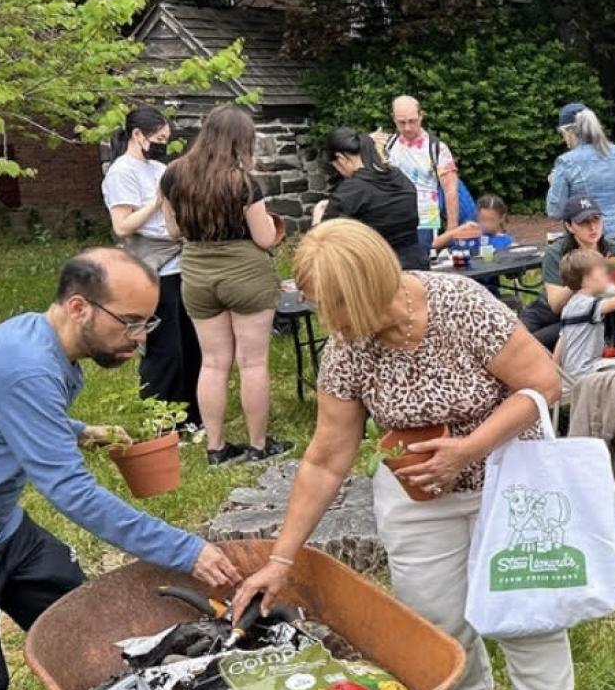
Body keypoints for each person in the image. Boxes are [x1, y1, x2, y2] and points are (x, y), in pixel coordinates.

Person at [231, 219, 577, 690]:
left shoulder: (461, 305)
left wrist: (468, 449)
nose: (327, 322)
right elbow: (325, 456)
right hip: (420, 489)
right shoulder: (348, 348)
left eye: (332, 306)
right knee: (435, 617)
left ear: (367, 291)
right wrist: (281, 558)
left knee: (524, 613)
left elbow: (543, 383)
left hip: (507, 479)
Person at [0, 248, 244, 690]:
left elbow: (17, 412)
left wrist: (78, 430)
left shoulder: (37, 339)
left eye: (147, 321)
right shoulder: (27, 367)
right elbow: (73, 494)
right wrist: (186, 549)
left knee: (84, 632)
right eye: (129, 322)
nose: (142, 337)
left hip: (6, 530)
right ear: (80, 307)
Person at [159, 105, 291, 466]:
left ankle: (215, 447)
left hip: (197, 271)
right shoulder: (243, 182)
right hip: (245, 272)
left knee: (213, 363)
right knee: (252, 363)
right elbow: (264, 238)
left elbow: (173, 232)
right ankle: (258, 445)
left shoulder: (172, 176)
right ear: (239, 141)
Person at [102, 106, 202, 430]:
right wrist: (156, 201)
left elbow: (172, 215)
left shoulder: (159, 167)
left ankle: (192, 416)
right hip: (149, 268)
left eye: (166, 138)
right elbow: (122, 226)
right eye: (158, 138)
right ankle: (162, 419)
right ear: (138, 135)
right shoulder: (121, 173)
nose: (162, 143)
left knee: (190, 343)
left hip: (178, 260)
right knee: (164, 348)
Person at [521, 195, 615, 351]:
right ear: (569, 226)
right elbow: (555, 305)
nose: (592, 227)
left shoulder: (611, 249)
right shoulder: (557, 251)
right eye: (583, 222)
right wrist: (583, 275)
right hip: (546, 312)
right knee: (513, 339)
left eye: (596, 219)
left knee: (527, 347)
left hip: (581, 317)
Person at [313, 128, 422, 270]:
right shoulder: (399, 177)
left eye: (335, 167)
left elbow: (322, 245)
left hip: (377, 274)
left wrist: (318, 212)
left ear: (341, 159)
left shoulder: (350, 191)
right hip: (416, 265)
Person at [545, 103, 615, 243]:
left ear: (569, 132)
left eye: (562, 134)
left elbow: (555, 212)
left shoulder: (567, 162)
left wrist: (553, 184)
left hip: (598, 243)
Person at [555, 249, 615, 388]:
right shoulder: (587, 305)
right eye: (602, 271)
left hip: (569, 374)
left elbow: (562, 341)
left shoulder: (570, 306)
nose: (607, 274)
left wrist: (556, 369)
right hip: (587, 372)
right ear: (587, 278)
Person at [385, 95, 462, 263]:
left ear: (421, 116)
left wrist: (451, 230)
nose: (407, 127)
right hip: (394, 222)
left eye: (412, 121)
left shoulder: (436, 148)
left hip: (425, 223)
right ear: (393, 118)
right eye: (401, 122)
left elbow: (450, 190)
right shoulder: (387, 146)